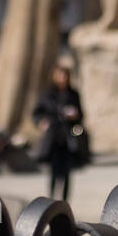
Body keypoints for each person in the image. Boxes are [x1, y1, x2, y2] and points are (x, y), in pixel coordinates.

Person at [33, 64, 83, 202]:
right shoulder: (48, 94)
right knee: (54, 172)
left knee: (67, 173)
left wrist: (75, 116)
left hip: (68, 137)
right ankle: (52, 201)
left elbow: (81, 114)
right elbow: (36, 113)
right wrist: (42, 122)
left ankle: (65, 202)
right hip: (53, 137)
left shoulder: (73, 94)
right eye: (60, 75)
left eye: (65, 75)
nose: (63, 78)